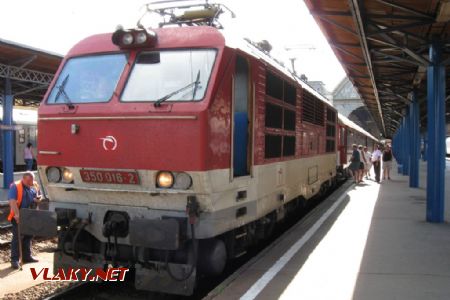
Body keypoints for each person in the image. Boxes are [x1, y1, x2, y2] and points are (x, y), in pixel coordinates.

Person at [8, 172, 42, 269]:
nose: (30, 183)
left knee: (28, 235)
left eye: (32, 180)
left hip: (31, 215)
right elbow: (12, 201)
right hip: (19, 214)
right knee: (18, 237)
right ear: (23, 179)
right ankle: (14, 260)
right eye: (28, 181)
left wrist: (38, 199)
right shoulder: (16, 186)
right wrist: (17, 214)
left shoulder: (34, 185)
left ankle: (27, 256)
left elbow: (39, 196)